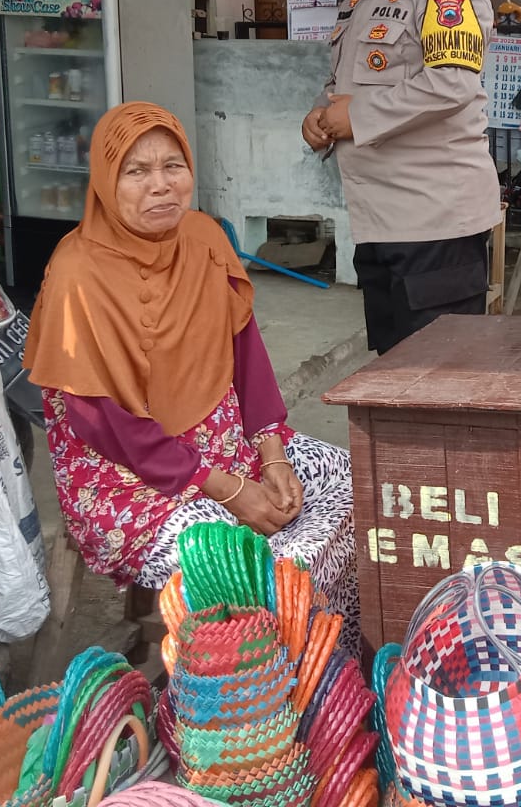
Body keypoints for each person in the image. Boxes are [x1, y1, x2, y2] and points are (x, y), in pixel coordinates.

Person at [24, 103, 357, 636]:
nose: (161, 186)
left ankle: (333, 667)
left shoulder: (203, 239)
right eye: (136, 172)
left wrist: (271, 454)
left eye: (172, 167)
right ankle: (249, 701)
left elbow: (247, 356)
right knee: (237, 566)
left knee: (358, 485)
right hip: (129, 481)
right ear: (108, 181)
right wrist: (226, 488)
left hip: (230, 447)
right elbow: (110, 428)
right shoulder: (77, 276)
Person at [300, 0, 502, 355]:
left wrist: (356, 118)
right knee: (393, 377)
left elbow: (452, 84)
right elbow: (350, 85)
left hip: (434, 224)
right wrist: (321, 115)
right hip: (381, 222)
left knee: (438, 384)